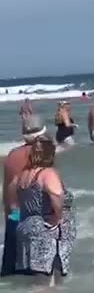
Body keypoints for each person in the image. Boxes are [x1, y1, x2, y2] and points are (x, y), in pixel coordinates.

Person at [8, 136, 76, 282]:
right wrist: (57, 218)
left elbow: (12, 199)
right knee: (51, 280)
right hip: (48, 232)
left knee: (37, 280)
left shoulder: (22, 175)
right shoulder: (47, 173)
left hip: (27, 227)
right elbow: (56, 195)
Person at [1, 115, 47, 277]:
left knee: (10, 271)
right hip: (35, 217)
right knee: (39, 272)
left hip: (14, 215)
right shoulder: (43, 153)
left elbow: (7, 190)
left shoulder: (12, 156)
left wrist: (9, 216)